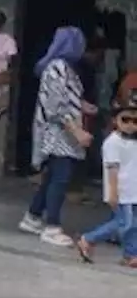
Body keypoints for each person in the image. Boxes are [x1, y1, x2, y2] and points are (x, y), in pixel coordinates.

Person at [20, 26, 94, 247]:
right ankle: (52, 226)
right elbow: (57, 106)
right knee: (60, 178)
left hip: (64, 130)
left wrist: (83, 106)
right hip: (58, 132)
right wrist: (77, 131)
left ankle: (33, 216)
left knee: (52, 176)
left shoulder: (66, 69)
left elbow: (67, 97)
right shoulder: (57, 68)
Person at [75, 91, 137, 267]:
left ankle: (131, 254)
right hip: (121, 189)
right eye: (126, 120)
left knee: (133, 224)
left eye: (135, 121)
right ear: (115, 121)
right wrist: (113, 192)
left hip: (133, 189)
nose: (131, 125)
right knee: (123, 222)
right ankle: (88, 239)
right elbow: (112, 169)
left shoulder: (133, 142)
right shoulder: (113, 143)